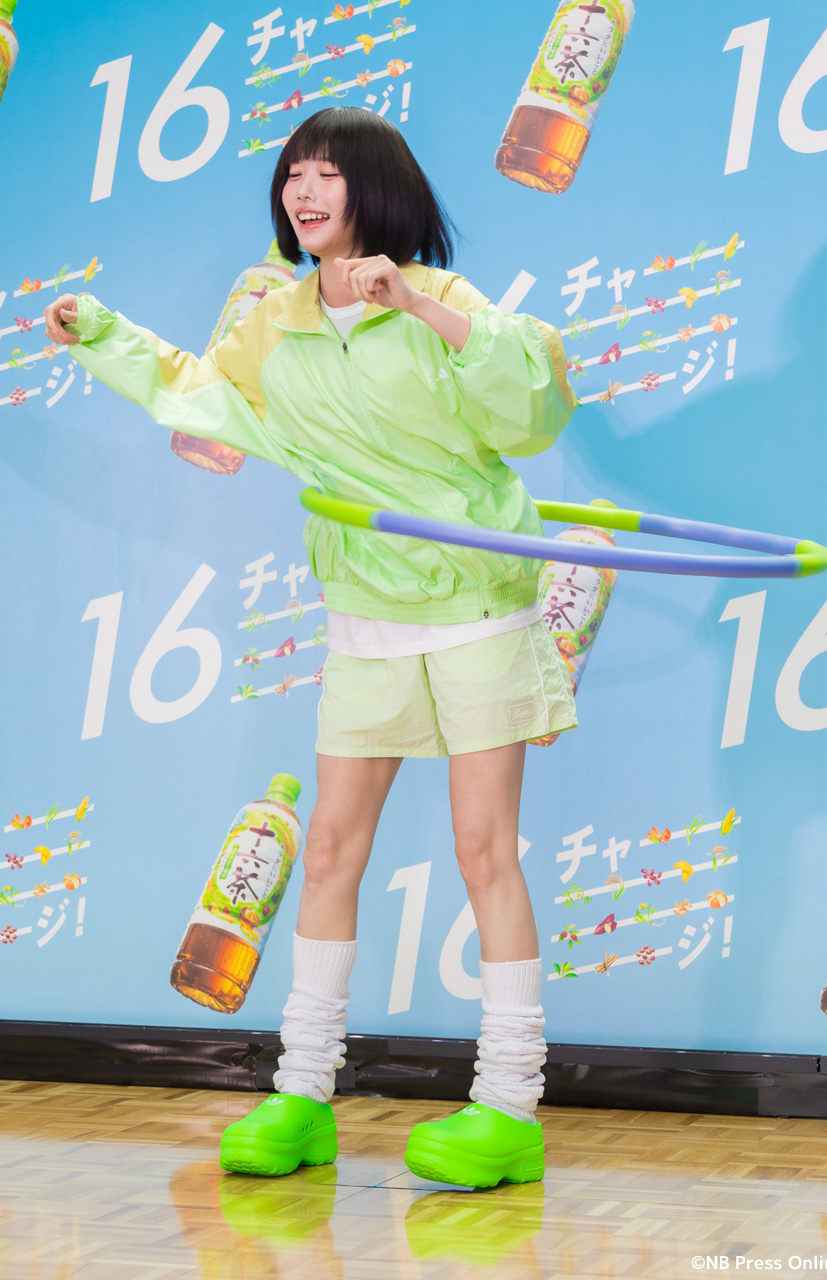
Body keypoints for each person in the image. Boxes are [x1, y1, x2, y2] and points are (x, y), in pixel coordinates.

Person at [44, 107, 578, 1189]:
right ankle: (301, 1092)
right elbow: (205, 395)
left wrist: (416, 305)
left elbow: (531, 413)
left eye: (327, 172)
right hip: (366, 605)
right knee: (329, 848)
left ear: (374, 189)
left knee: (484, 849)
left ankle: (508, 1106)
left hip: (475, 598)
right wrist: (100, 332)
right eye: (293, 171)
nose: (303, 188)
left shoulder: (445, 299)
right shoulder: (275, 321)